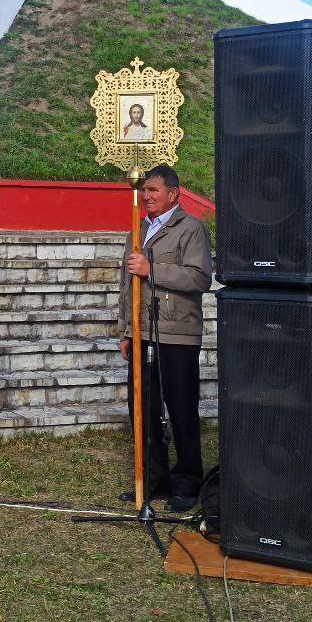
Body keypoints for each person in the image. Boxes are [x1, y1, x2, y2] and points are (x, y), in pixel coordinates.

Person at [117, 164, 212, 512]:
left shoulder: (191, 229)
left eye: (153, 190)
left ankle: (187, 482)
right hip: (141, 332)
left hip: (177, 333)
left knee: (181, 408)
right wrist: (125, 330)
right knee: (142, 407)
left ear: (173, 193)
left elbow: (199, 278)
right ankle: (153, 478)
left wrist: (152, 269)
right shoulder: (137, 228)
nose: (146, 196)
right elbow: (125, 284)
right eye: (144, 190)